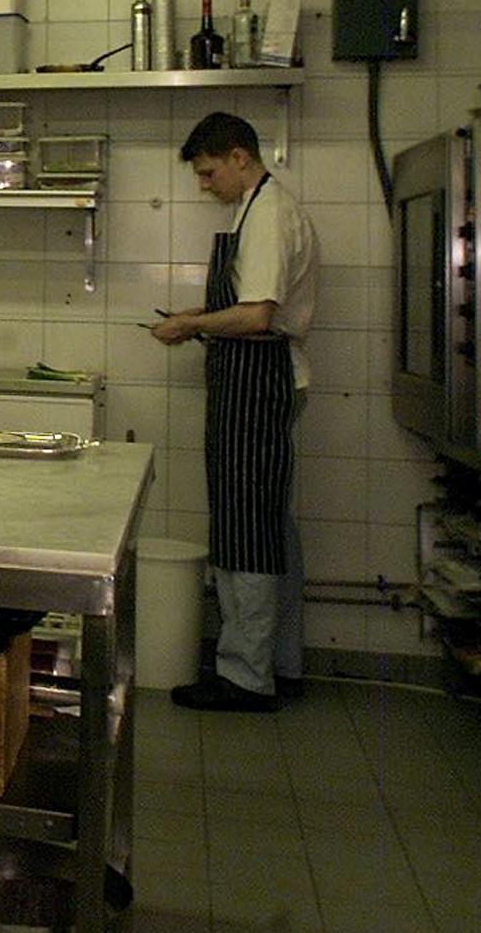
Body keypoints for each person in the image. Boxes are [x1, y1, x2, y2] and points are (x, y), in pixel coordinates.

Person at [151, 111, 318, 711]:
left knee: (246, 525)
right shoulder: (256, 209)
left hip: (260, 381)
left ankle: (245, 677)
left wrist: (190, 323)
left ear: (240, 158)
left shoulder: (269, 215)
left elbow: (257, 316)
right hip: (257, 378)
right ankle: (281, 662)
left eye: (208, 171)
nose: (204, 184)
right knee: (269, 525)